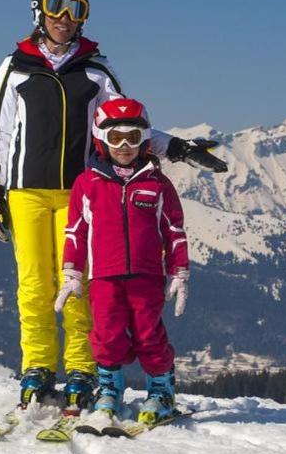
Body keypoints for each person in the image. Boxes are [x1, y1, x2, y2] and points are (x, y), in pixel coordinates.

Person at [0, 0, 224, 408]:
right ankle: (37, 367)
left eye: (75, 8)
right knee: (34, 285)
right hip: (26, 192)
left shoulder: (96, 71)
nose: (64, 17)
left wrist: (178, 148)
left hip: (81, 193)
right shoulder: (15, 68)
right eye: (56, 5)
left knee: (77, 286)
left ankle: (80, 368)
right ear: (38, 10)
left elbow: (124, 128)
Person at [54, 98, 189, 425]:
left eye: (133, 137)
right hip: (104, 277)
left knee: (148, 335)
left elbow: (174, 230)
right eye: (116, 138)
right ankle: (109, 389)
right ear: (101, 139)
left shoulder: (157, 184)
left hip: (146, 276)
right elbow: (75, 231)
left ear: (145, 139)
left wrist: (179, 271)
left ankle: (161, 391)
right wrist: (72, 272)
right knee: (106, 334)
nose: (125, 146)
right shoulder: (87, 183)